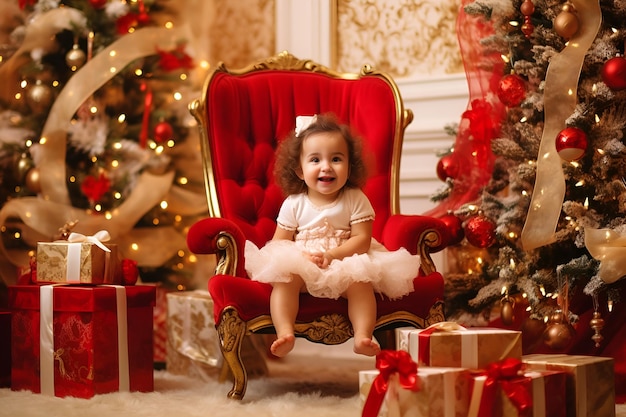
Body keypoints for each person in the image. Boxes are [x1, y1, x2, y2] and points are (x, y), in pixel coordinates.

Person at [244, 113, 420, 358]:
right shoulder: (294, 203)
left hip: (346, 258)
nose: (326, 166)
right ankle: (285, 332)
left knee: (361, 284)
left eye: (336, 159)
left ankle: (362, 335)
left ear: (350, 167)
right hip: (305, 261)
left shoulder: (355, 198)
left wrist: (332, 254)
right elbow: (279, 242)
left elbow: (362, 239)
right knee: (285, 281)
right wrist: (300, 258)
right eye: (315, 160)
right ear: (299, 170)